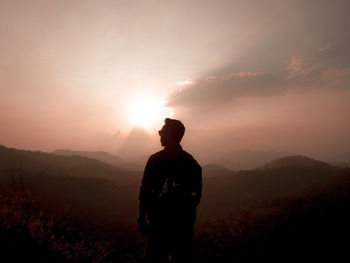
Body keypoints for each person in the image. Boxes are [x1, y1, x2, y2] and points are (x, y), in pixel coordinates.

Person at [138, 118, 202, 263]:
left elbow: (144, 192)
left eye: (162, 132)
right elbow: (196, 198)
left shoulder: (155, 160)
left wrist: (142, 218)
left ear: (171, 134)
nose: (159, 135)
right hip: (183, 228)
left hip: (159, 227)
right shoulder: (192, 163)